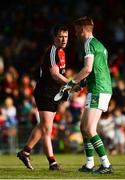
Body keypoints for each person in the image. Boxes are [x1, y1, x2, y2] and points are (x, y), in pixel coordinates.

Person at [62, 17, 113, 174]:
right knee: (84, 127)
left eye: (76, 30)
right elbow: (98, 70)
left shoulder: (88, 44)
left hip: (99, 89)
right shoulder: (98, 44)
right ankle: (89, 164)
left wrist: (70, 84)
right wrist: (82, 84)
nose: (75, 33)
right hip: (97, 87)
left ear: (83, 29)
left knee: (90, 129)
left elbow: (88, 69)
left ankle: (106, 164)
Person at [17, 24, 70, 170]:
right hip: (45, 92)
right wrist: (71, 84)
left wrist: (65, 88)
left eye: (66, 36)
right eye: (60, 36)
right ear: (55, 37)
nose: (64, 39)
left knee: (43, 126)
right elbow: (54, 74)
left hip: (52, 93)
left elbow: (59, 76)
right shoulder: (53, 51)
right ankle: (52, 163)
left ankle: (25, 152)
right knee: (47, 129)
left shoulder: (61, 52)